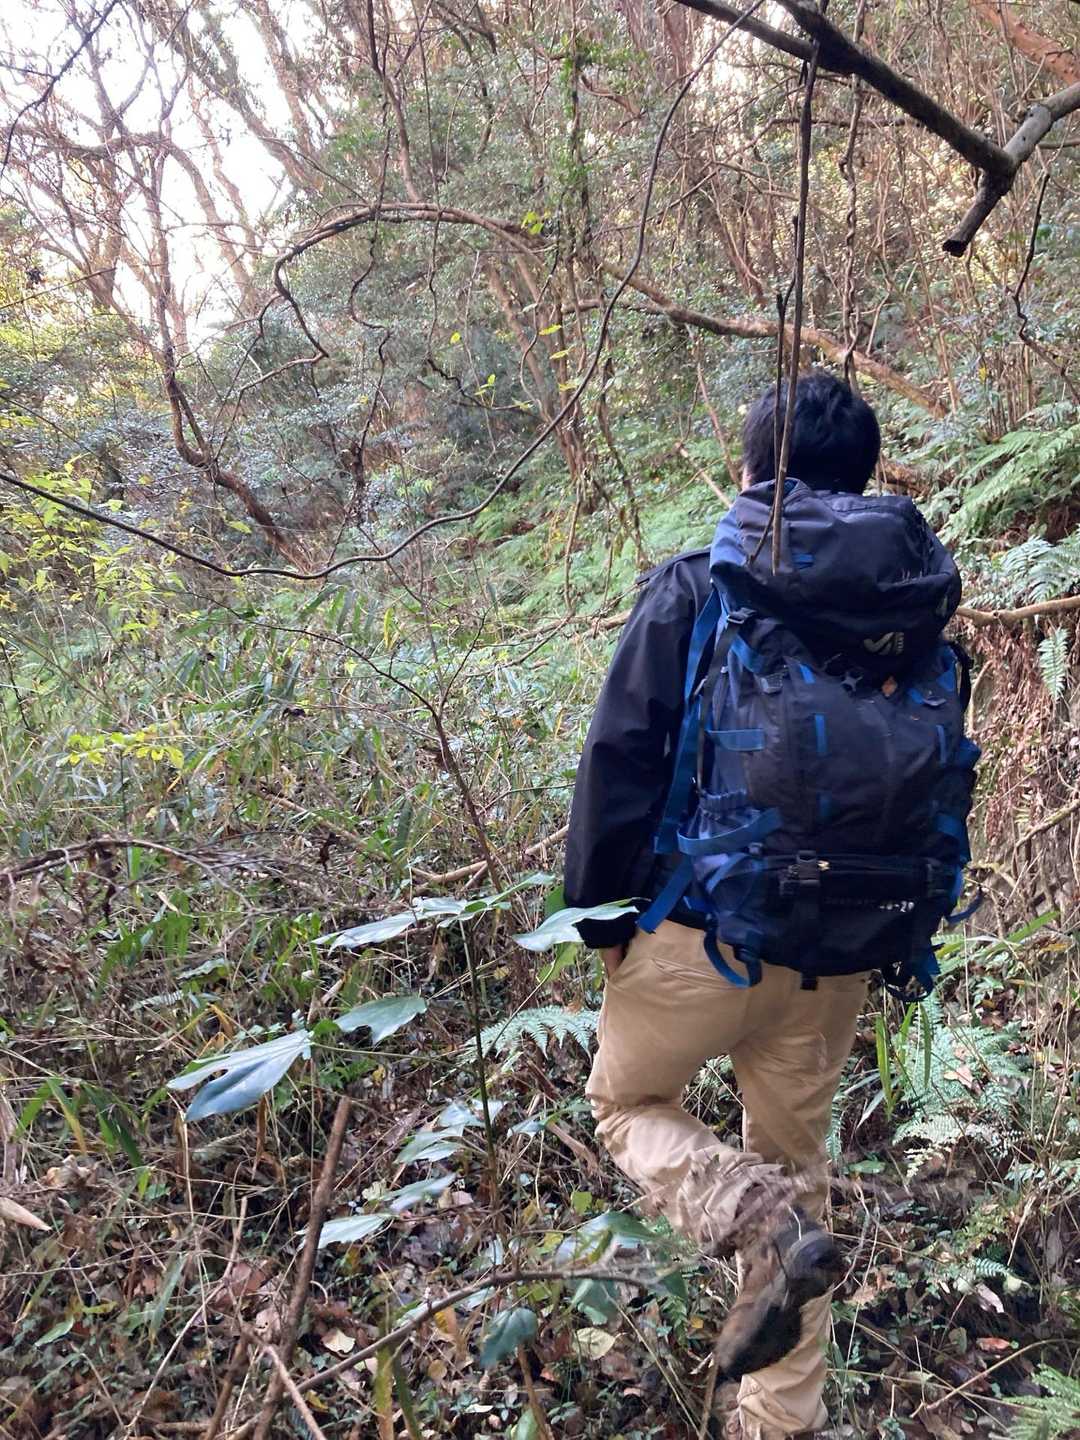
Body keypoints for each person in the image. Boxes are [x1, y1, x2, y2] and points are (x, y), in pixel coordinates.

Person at [565, 372, 892, 1440]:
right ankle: (779, 1424)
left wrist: (603, 925)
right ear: (863, 479)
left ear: (750, 470)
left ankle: (751, 1216)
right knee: (802, 1171)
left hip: (696, 932)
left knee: (627, 1104)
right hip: (836, 952)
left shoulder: (698, 583)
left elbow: (619, 758)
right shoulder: (903, 612)